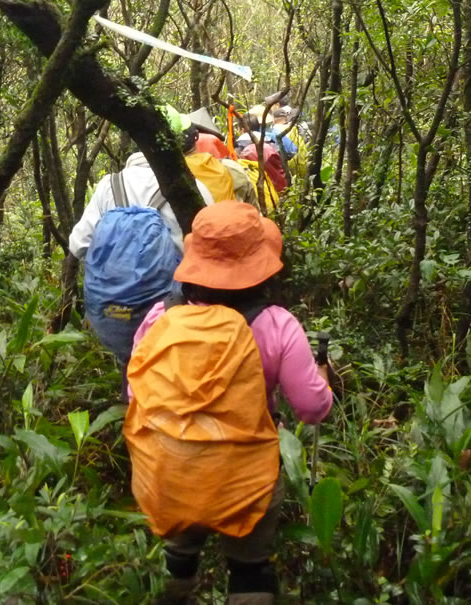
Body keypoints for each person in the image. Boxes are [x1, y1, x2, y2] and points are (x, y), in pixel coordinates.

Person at [126, 201, 332, 605]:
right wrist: (323, 382)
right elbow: (312, 408)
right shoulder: (277, 325)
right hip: (246, 479)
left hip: (171, 470)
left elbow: (137, 395)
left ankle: (177, 582)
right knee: (251, 567)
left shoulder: (159, 318)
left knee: (177, 556)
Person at [68, 151, 214, 367]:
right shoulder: (190, 187)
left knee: (131, 363)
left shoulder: (109, 186)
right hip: (170, 306)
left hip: (114, 308)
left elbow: (78, 244)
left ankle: (130, 382)